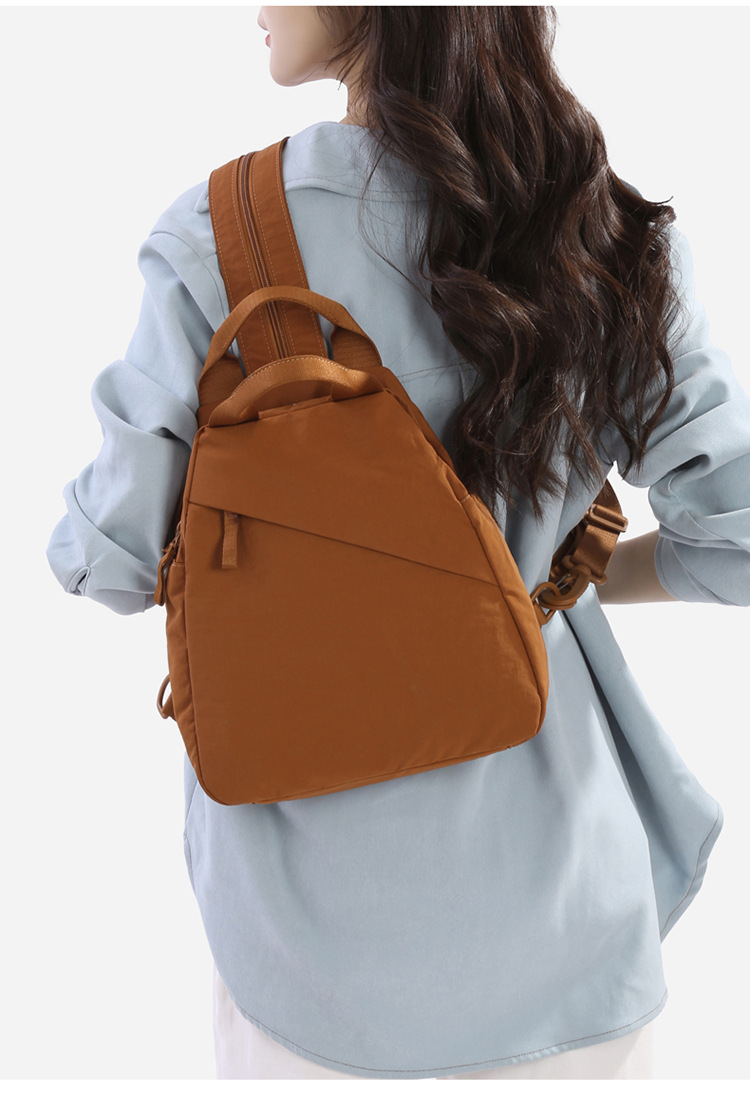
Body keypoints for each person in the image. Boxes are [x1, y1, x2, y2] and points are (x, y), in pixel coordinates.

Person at [46, 5, 750, 1082]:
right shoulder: (604, 230)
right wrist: (541, 581)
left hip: (309, 970)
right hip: (576, 941)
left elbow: (106, 562)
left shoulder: (222, 240)